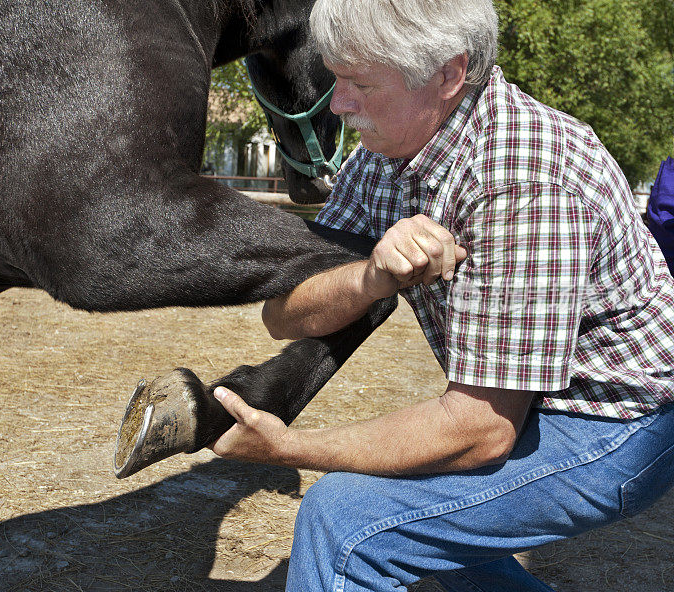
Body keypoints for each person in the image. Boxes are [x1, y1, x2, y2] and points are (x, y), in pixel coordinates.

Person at [209, 0, 674, 590]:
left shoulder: (527, 183)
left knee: (346, 521)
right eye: (336, 76)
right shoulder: (383, 153)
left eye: (360, 82)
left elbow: (481, 431)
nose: (338, 104)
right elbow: (284, 315)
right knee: (417, 525)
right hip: (524, 401)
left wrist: (291, 448)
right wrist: (370, 278)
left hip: (618, 425)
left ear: (449, 74)